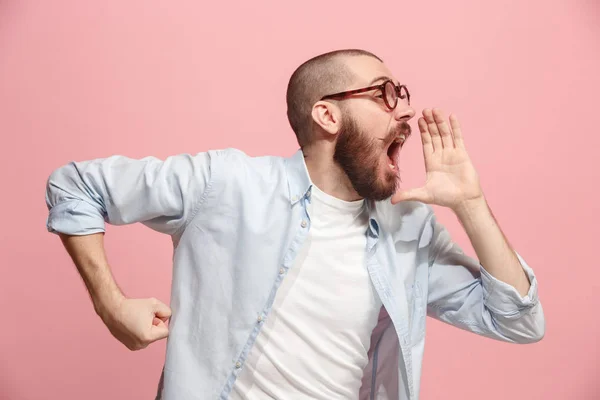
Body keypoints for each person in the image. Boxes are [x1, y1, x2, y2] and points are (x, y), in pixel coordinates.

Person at [45, 49, 545, 400]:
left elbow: (518, 320)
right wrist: (110, 306)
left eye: (402, 94)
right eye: (384, 94)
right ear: (327, 114)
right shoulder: (228, 183)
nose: (406, 110)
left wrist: (471, 204)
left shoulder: (407, 228)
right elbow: (75, 186)